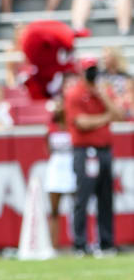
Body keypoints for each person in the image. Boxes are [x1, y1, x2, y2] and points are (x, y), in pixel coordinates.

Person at [64, 57, 124, 256]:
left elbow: (120, 114)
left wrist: (103, 97)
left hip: (104, 150)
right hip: (84, 151)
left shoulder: (103, 92)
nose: (92, 73)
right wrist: (106, 118)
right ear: (82, 72)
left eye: (94, 69)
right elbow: (82, 123)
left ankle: (106, 242)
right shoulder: (75, 94)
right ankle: (80, 243)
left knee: (106, 197)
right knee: (83, 197)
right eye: (89, 69)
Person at [44, 100, 75, 249]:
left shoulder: (72, 126)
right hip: (56, 168)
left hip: (72, 166)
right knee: (54, 210)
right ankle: (52, 244)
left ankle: (78, 241)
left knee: (76, 207)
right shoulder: (51, 128)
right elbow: (48, 149)